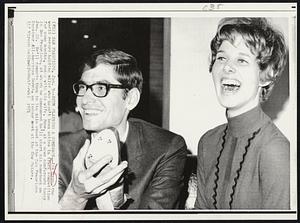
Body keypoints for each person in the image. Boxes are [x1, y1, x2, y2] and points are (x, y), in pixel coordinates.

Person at [58, 49, 187, 210]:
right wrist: (76, 196)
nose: (85, 99)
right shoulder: (59, 150)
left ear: (131, 99)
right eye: (83, 87)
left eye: (100, 88)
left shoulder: (166, 148)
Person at [195, 18, 289, 209]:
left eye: (242, 60)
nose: (227, 67)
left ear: (267, 74)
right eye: (221, 58)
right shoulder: (208, 142)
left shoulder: (275, 149)